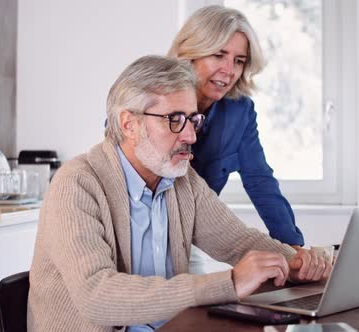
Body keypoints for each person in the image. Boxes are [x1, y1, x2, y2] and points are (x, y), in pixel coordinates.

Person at [27, 55, 332, 332]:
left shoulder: (182, 182)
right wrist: (228, 283)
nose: (190, 135)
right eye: (175, 120)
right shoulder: (76, 184)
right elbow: (96, 296)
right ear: (129, 124)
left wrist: (297, 263)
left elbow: (239, 242)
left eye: (193, 119)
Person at [168, 6, 306, 250]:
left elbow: (260, 181)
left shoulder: (239, 112)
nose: (229, 70)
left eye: (239, 61)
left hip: (189, 242)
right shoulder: (153, 98)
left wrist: (293, 249)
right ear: (192, 54)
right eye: (218, 55)